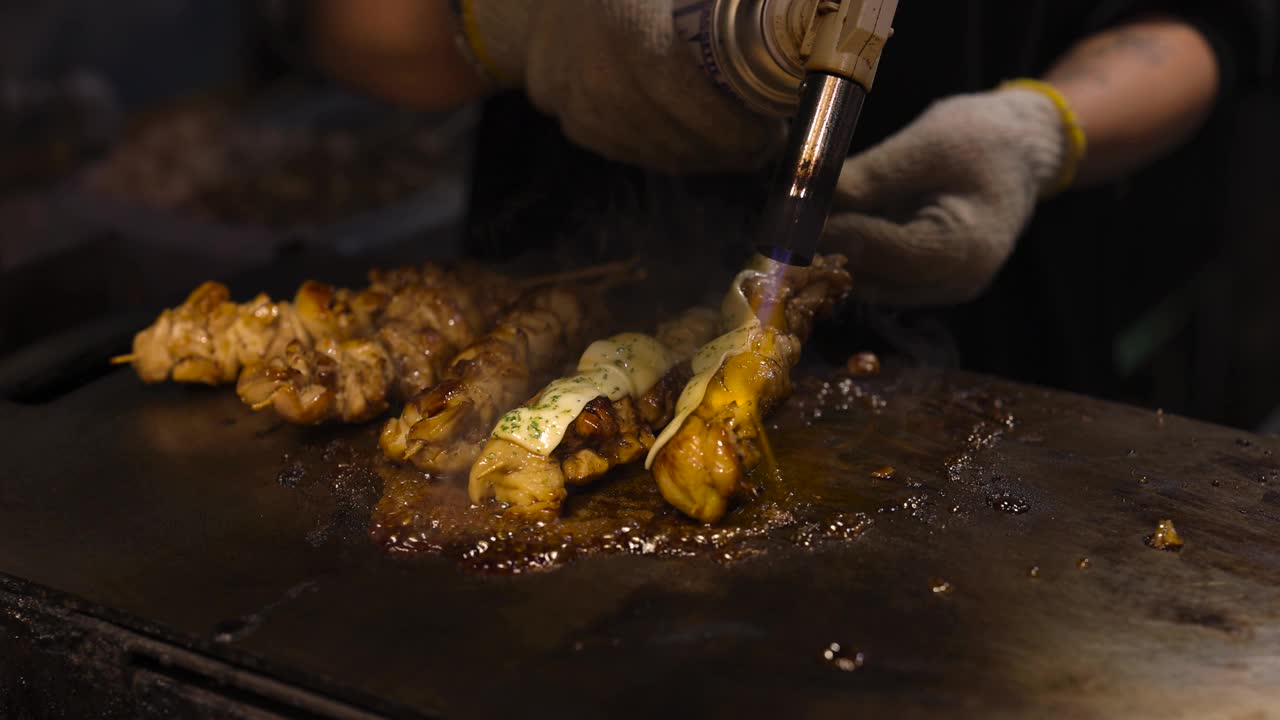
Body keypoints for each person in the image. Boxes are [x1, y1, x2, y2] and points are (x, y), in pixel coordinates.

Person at [304, 0, 1279, 423]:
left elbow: (1207, 21)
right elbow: (344, 27)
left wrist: (1041, 131)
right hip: (547, 296)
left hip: (981, 338)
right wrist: (518, 23)